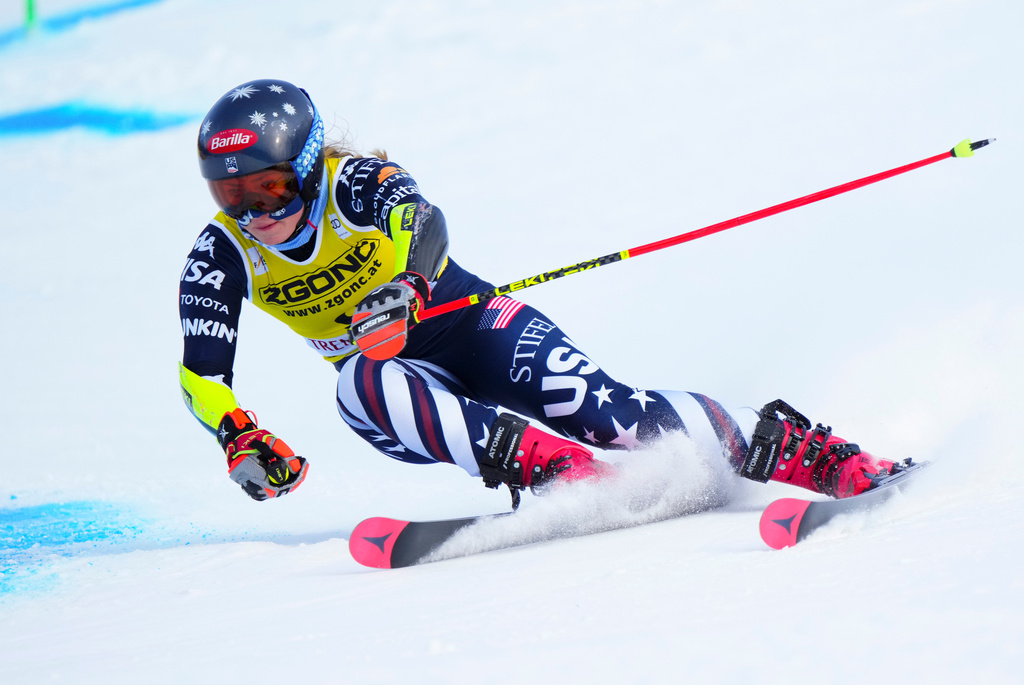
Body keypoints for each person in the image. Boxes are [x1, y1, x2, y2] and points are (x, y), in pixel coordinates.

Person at [179, 79, 906, 507]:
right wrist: (235, 431)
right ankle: (564, 475)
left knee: (611, 413)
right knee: (359, 385)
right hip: (399, 386)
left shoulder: (355, 185)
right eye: (230, 193)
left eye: (268, 187)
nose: (253, 212)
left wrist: (409, 283)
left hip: (469, 324)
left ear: (306, 166)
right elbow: (200, 374)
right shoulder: (223, 252)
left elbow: (422, 220)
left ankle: (809, 454)